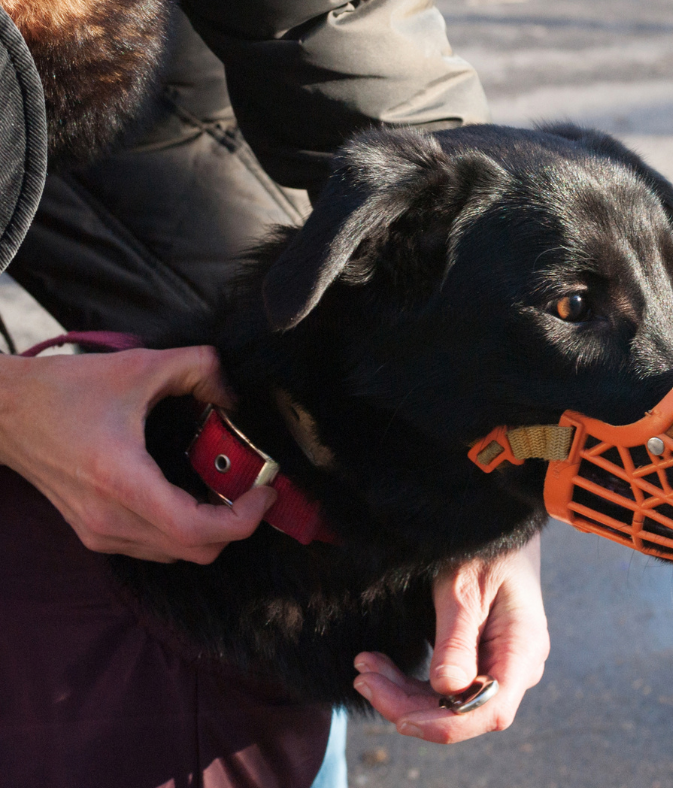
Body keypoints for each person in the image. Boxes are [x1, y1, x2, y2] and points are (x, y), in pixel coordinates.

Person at [0, 1, 550, 784]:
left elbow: (340, 21)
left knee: (309, 428)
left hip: (119, 81)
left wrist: (486, 494)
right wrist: (10, 409)